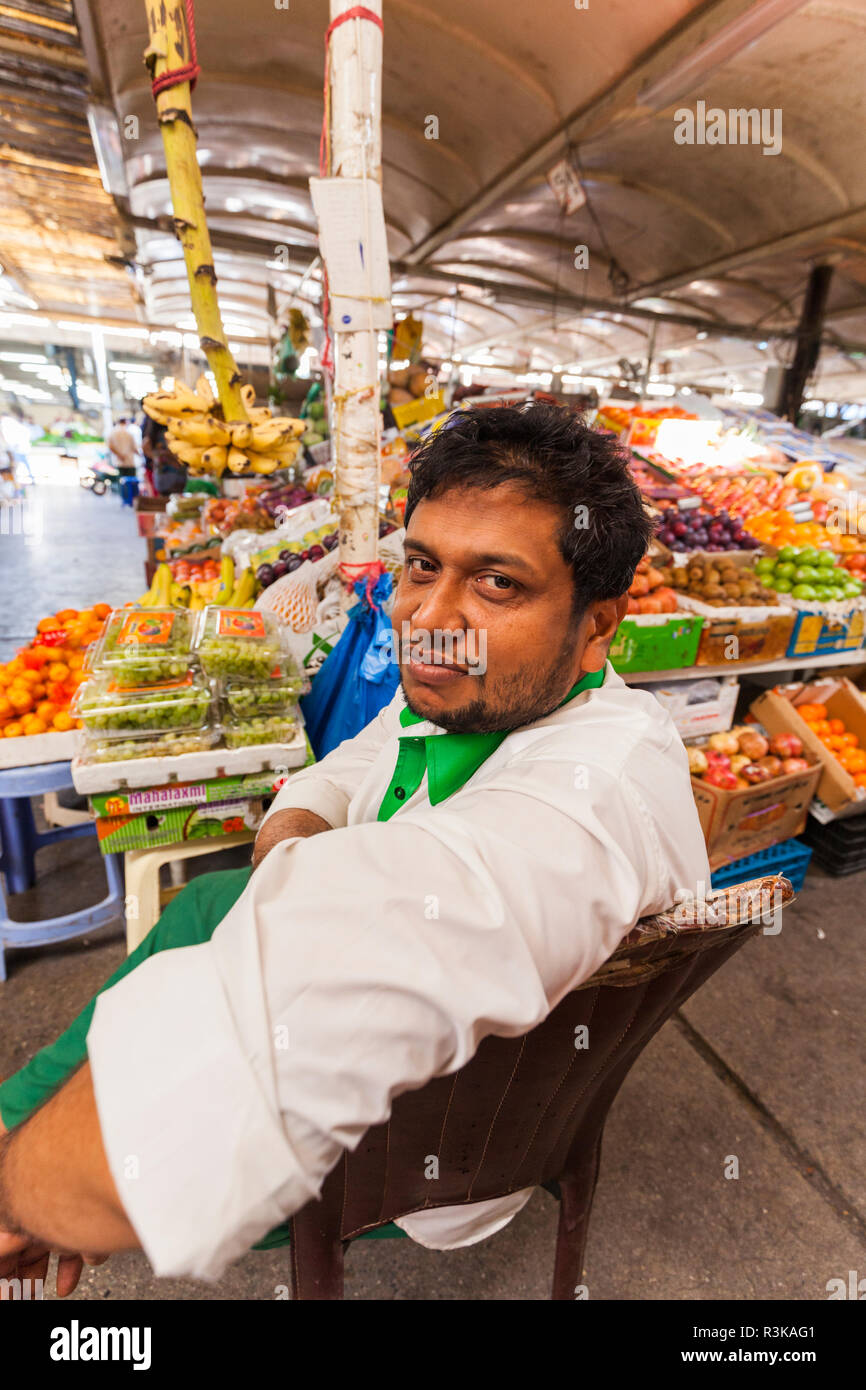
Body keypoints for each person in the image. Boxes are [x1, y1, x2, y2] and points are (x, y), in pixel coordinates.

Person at [0, 403, 710, 1290]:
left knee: (216, 934)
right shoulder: (471, 690)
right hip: (421, 1081)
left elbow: (315, 985)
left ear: (598, 626)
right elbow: (357, 757)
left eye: (497, 585)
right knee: (212, 907)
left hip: (426, 1148)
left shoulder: (587, 799)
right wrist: (297, 836)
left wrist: (32, 1192)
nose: (430, 620)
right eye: (422, 566)